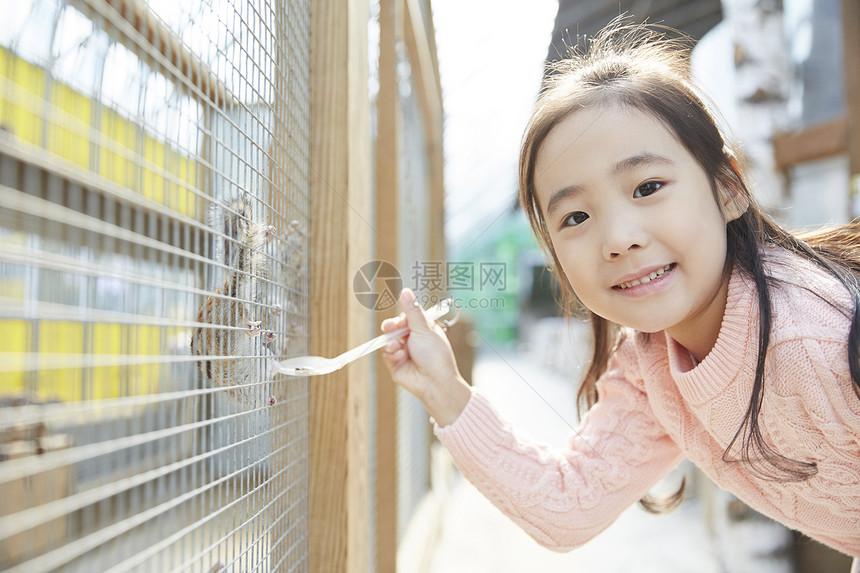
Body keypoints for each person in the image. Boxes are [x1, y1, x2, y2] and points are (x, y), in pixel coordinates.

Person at [380, 20, 860, 568]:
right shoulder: (650, 363)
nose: (618, 238)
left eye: (647, 187)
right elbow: (568, 505)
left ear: (729, 187)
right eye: (576, 216)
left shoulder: (811, 340)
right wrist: (446, 390)